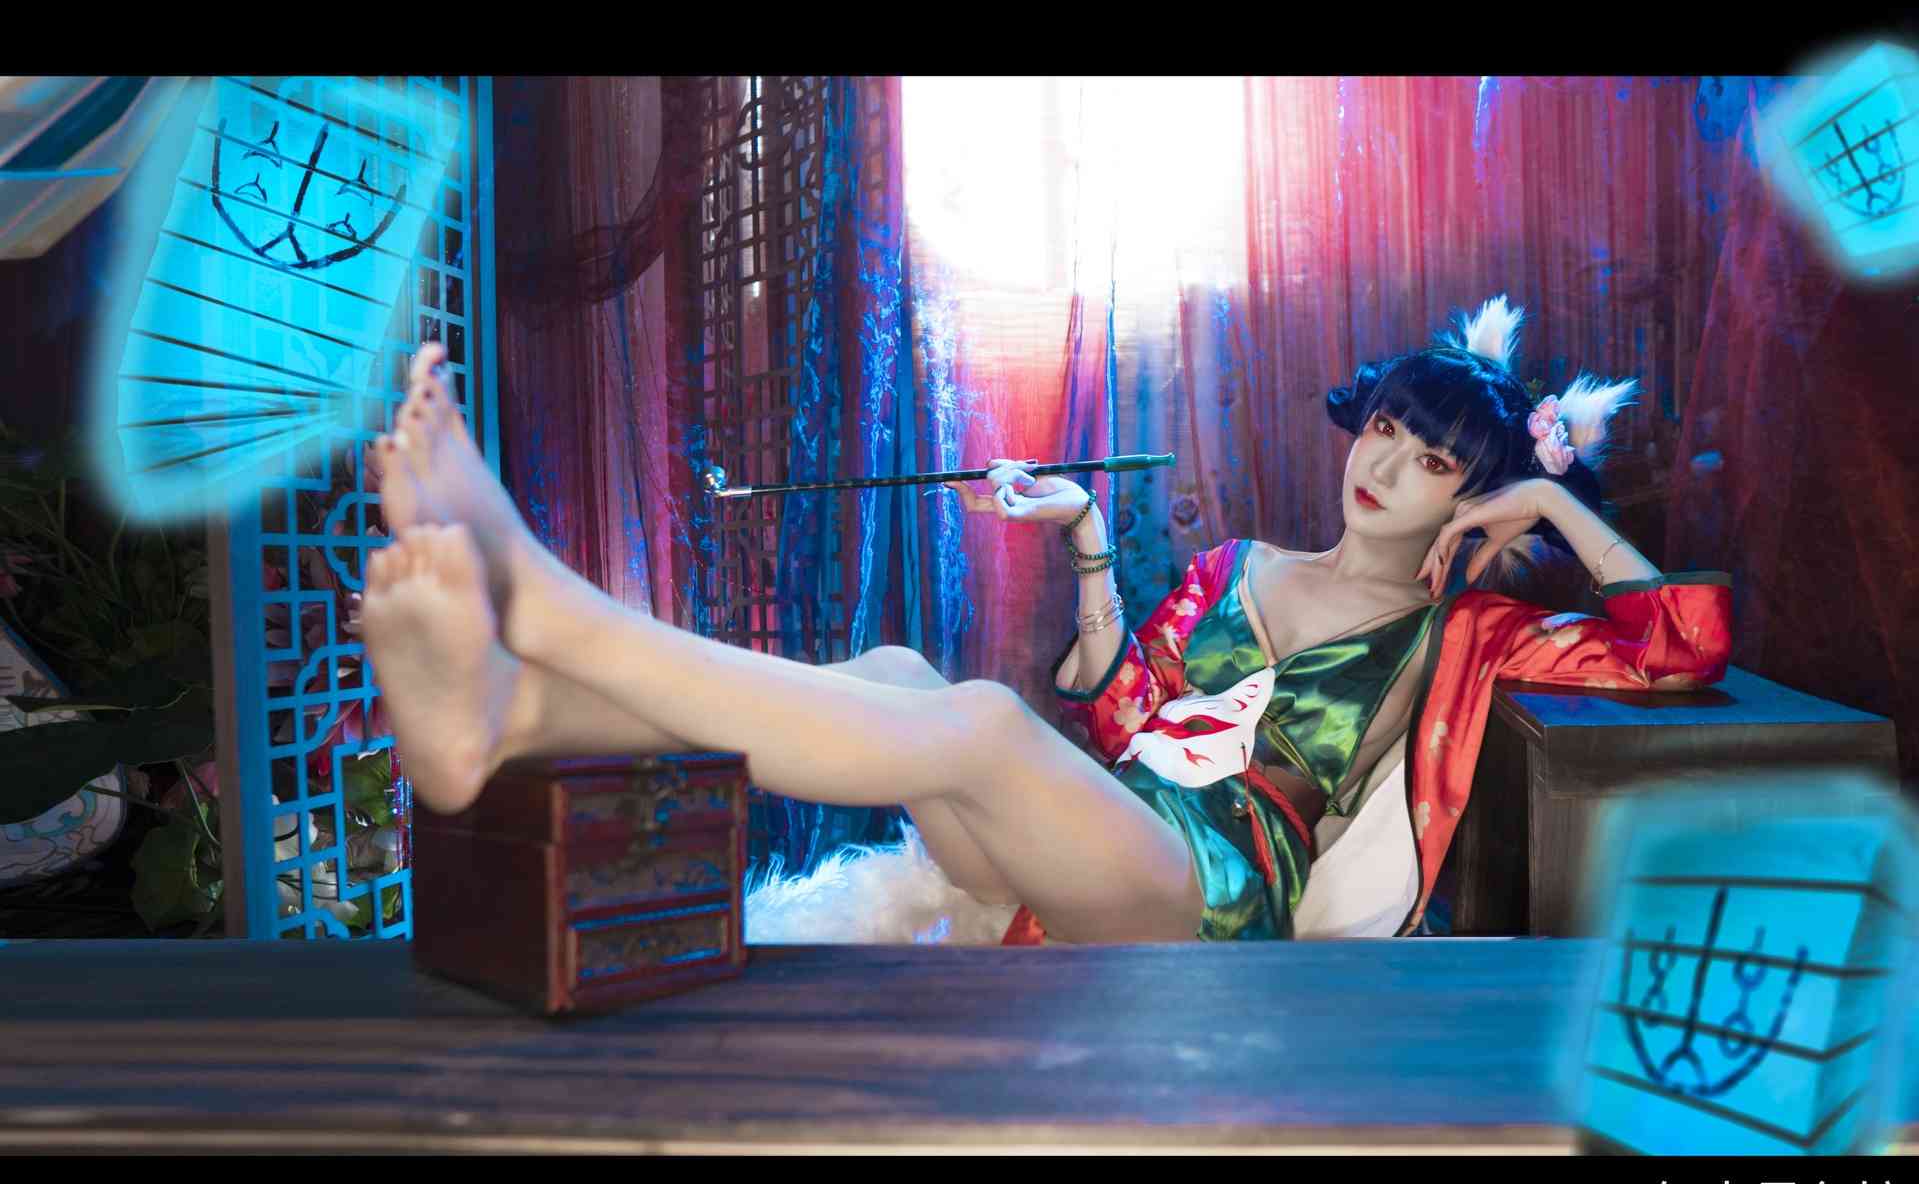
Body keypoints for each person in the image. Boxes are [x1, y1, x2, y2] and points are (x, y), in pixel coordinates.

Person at [360, 296, 1731, 945]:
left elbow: (1681, 646)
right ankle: (521, 717)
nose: (1384, 465)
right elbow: (1120, 717)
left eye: (1431, 462)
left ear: (1469, 499)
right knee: (901, 668)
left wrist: (1551, 509)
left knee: (976, 722)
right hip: (1106, 835)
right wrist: (1083, 533)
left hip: (1211, 892)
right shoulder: (1235, 565)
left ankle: (552, 609)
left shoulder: (1468, 635)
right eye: (1384, 427)